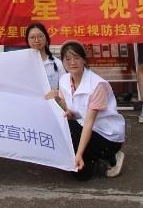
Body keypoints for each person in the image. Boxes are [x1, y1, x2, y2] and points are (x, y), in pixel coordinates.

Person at [48, 41, 125, 180]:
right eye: (68, 59)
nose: (72, 62)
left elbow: (89, 123)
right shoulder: (65, 80)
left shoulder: (97, 85)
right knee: (80, 174)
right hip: (83, 128)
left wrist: (78, 154)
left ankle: (110, 156)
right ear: (63, 61)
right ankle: (94, 161)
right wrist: (57, 99)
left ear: (84, 59)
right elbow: (70, 109)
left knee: (69, 128)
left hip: (106, 136)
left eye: (77, 58)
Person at [24, 23, 60, 92]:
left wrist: (56, 94)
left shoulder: (57, 63)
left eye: (40, 36)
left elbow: (64, 89)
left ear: (46, 38)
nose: (37, 40)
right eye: (32, 37)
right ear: (27, 41)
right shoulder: (22, 62)